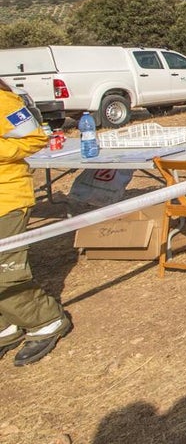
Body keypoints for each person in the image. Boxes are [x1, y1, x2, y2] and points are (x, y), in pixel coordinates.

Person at [0, 80, 71, 366]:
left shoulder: (5, 102)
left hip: (6, 200)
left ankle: (46, 320)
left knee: (5, 271)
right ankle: (7, 325)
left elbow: (35, 137)